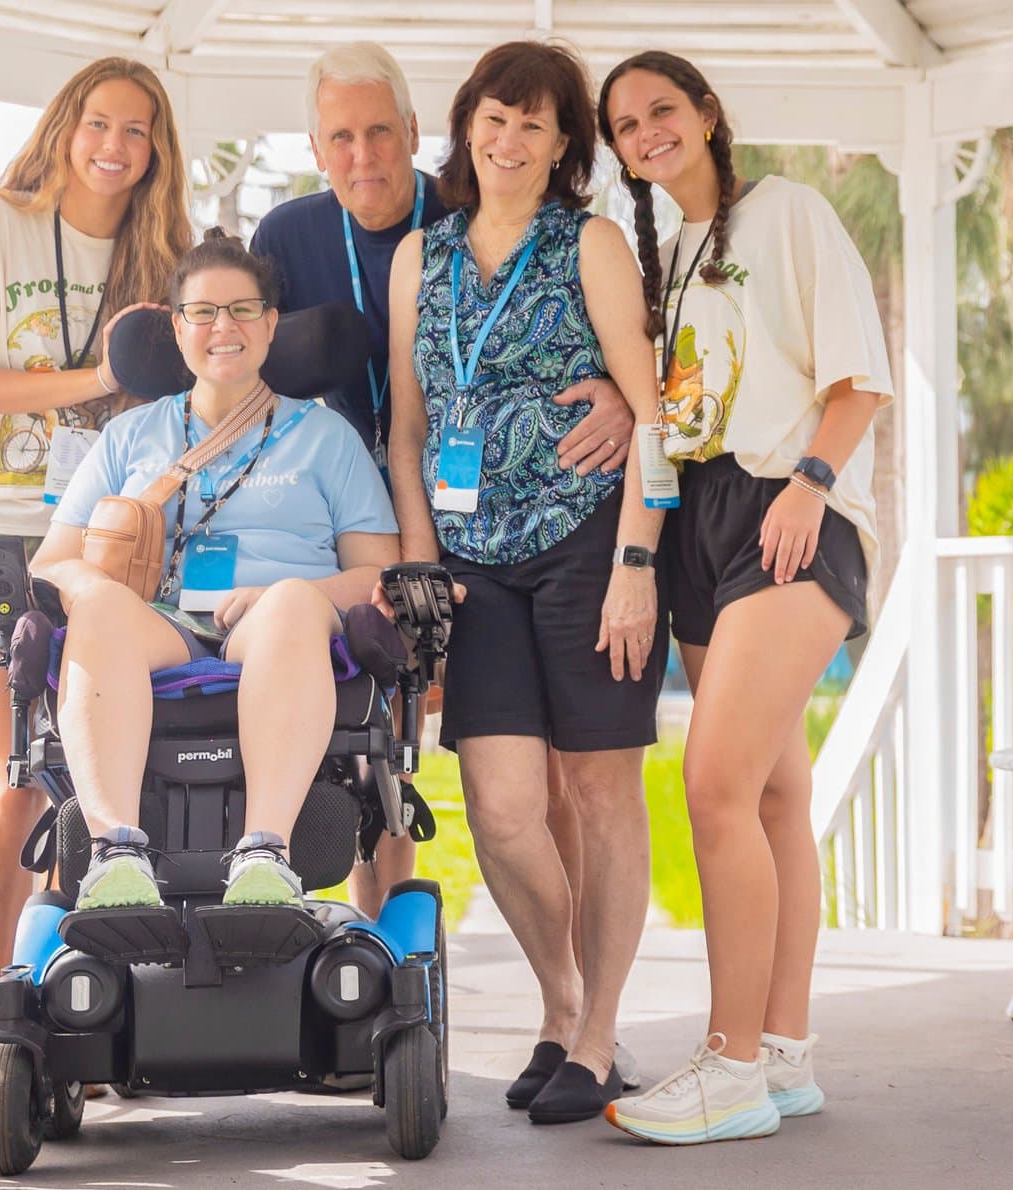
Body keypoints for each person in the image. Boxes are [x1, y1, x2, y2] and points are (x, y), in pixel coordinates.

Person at [250, 43, 641, 1012]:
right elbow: (235, 349)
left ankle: (586, 1017)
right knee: (391, 763)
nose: (362, 153)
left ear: (419, 133)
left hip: (535, 530)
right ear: (314, 146)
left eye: (379, 130)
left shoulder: (530, 229)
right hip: (380, 532)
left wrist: (630, 412)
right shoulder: (307, 235)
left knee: (562, 788)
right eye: (339, 136)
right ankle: (379, 987)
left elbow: (640, 363)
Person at [597, 52, 893, 1145]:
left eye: (661, 110)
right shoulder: (663, 256)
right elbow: (665, 406)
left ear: (707, 113)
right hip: (698, 523)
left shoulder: (788, 211)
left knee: (714, 787)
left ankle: (725, 1067)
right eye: (625, 125)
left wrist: (812, 484)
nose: (645, 133)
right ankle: (779, 1049)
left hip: (786, 503)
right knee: (771, 797)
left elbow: (857, 374)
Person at [386, 40, 664, 1125]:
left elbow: (652, 414)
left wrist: (635, 559)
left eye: (534, 127)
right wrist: (421, 567)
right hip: (468, 570)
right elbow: (406, 435)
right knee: (501, 812)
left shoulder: (587, 243)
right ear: (466, 123)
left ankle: (592, 1038)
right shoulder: (423, 256)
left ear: (563, 151)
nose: (508, 140)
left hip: (586, 546)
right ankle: (561, 1001)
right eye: (495, 117)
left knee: (598, 793)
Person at [0, 56, 193, 1107]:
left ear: (156, 149)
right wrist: (98, 379)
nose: (113, 145)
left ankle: (90, 1021)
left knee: (113, 780)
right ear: (66, 125)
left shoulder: (158, 253)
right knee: (15, 782)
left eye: (137, 130)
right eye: (98, 123)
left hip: (108, 541)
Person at [33, 228, 400, 912]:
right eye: (202, 312)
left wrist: (283, 594)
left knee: (292, 601)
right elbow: (52, 562)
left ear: (269, 325)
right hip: (160, 625)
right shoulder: (129, 436)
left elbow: (377, 573)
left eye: (241, 309)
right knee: (100, 606)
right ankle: (116, 853)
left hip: (277, 630)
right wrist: (96, 591)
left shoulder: (325, 437)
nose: (221, 327)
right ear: (177, 329)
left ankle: (264, 852)